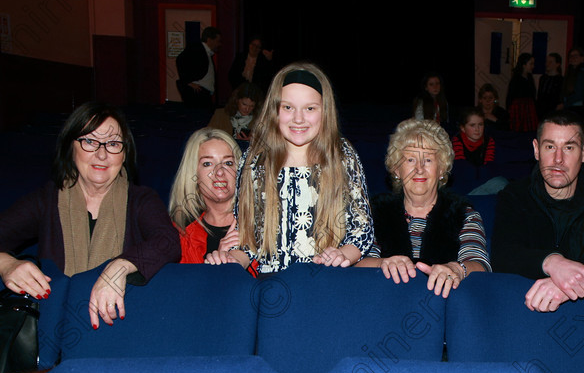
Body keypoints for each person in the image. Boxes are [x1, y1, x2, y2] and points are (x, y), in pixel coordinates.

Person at [0, 102, 180, 328]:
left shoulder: (141, 200)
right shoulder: (47, 200)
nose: (102, 154)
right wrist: (6, 264)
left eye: (113, 144)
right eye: (90, 141)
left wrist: (119, 266)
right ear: (71, 147)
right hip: (55, 327)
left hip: (122, 325)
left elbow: (168, 242)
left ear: (124, 154)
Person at [206, 62, 374, 274]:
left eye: (310, 108)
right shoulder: (255, 158)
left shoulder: (341, 154)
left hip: (326, 279)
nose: (298, 119)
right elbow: (248, 241)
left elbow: (362, 230)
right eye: (288, 107)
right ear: (274, 109)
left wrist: (343, 255)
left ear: (325, 111)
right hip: (270, 286)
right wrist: (229, 260)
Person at [492, 111, 584, 312]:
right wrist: (552, 262)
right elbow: (503, 254)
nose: (558, 159)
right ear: (536, 150)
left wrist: (566, 283)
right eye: (550, 146)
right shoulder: (514, 196)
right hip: (528, 306)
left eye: (569, 148)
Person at [357, 119, 490, 298]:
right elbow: (358, 263)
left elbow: (479, 264)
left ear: (441, 169)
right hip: (384, 301)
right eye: (410, 159)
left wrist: (456, 269)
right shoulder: (374, 213)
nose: (419, 169)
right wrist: (383, 263)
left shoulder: (465, 215)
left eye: (428, 159)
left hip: (444, 305)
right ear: (397, 169)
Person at [169, 128, 242, 263]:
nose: (219, 172)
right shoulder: (182, 233)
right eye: (207, 164)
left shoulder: (260, 222)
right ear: (194, 174)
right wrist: (218, 261)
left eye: (228, 163)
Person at [176, 26, 222, 109]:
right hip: (197, 93)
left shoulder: (206, 52)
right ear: (209, 40)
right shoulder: (196, 48)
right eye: (218, 41)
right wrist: (187, 82)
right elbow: (180, 60)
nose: (219, 44)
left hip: (203, 93)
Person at [506, 53, 538, 132]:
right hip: (519, 109)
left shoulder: (529, 78)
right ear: (524, 65)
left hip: (529, 109)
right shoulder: (516, 79)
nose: (532, 66)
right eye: (530, 64)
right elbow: (510, 96)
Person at [537, 53, 564, 119]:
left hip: (554, 110)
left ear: (557, 64)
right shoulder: (543, 78)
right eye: (547, 61)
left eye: (550, 62)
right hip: (541, 109)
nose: (547, 64)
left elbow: (561, 95)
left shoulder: (561, 79)